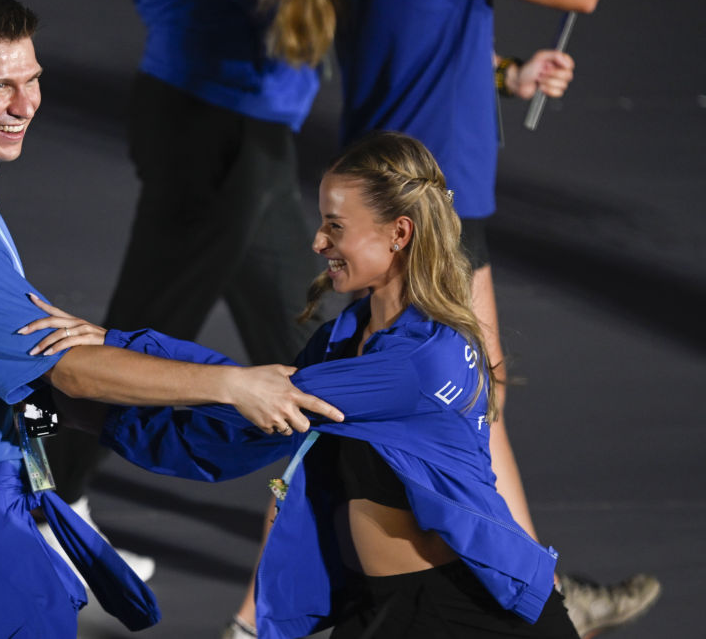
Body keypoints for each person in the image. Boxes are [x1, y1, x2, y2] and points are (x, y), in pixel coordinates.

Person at [0, 0, 344, 638]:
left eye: (32, 79)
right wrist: (232, 384)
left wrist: (39, 414)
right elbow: (68, 370)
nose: (25, 105)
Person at [221, 0, 660, 636]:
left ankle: (530, 578)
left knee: (455, 395)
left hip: (407, 175)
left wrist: (506, 74)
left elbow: (410, 38)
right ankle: (258, 617)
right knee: (408, 398)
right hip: (432, 191)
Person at [52, 131, 582, 638]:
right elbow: (235, 432)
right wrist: (67, 410)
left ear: (399, 233)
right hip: (383, 607)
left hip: (469, 614)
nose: (317, 241)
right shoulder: (345, 338)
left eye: (335, 226)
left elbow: (247, 398)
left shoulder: (419, 363)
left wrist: (118, 350)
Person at [38, 0, 331, 581]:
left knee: (315, 354)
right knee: (133, 342)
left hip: (238, 126)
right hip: (216, 128)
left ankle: (387, 529)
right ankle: (44, 510)